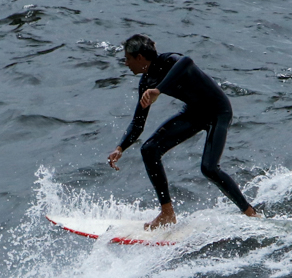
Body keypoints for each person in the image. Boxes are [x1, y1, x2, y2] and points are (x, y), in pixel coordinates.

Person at [106, 34, 259, 230]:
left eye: (127, 58)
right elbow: (138, 123)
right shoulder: (146, 82)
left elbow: (187, 62)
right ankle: (167, 213)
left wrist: (159, 90)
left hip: (217, 111)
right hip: (194, 113)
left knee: (209, 168)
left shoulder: (169, 61)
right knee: (149, 149)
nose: (125, 63)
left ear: (140, 57)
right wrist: (121, 147)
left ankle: (250, 212)